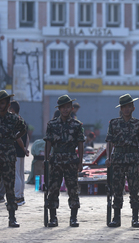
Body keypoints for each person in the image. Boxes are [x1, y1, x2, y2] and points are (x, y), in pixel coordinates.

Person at [105, 94, 139, 228]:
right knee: (117, 189)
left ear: (133, 108)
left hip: (133, 160)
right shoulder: (114, 123)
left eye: (129, 106)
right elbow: (109, 142)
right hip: (118, 160)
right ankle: (116, 218)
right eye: (124, 107)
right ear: (121, 109)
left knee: (134, 189)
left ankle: (135, 218)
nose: (126, 109)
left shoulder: (138, 124)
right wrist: (108, 158)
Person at [44, 95, 85, 227]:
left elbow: (80, 144)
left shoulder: (77, 125)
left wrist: (80, 161)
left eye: (68, 107)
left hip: (71, 161)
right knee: (53, 189)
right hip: (56, 160)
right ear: (59, 109)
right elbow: (48, 143)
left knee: (73, 189)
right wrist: (46, 159)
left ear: (71, 108)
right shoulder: (52, 124)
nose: (66, 110)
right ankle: (53, 218)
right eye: (63, 107)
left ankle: (73, 218)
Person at [0, 90, 26, 227]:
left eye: (2, 103)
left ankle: (12, 217)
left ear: (8, 104)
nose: (0, 105)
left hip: (8, 156)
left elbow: (24, 128)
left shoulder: (13, 118)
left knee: (9, 187)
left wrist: (14, 137)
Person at [9, 100, 30, 206]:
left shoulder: (14, 121)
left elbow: (18, 139)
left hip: (16, 151)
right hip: (21, 152)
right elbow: (27, 137)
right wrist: (26, 148)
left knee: (16, 175)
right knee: (21, 175)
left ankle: (17, 197)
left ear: (12, 110)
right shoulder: (22, 120)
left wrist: (23, 148)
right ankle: (21, 196)